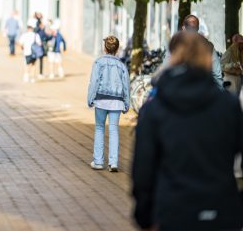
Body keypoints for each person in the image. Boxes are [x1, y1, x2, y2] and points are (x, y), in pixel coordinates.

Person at [132, 31, 243, 231]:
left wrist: (144, 215)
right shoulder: (229, 106)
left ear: (172, 57)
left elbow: (143, 169)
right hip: (221, 213)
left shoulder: (154, 109)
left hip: (174, 212)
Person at [86, 36, 130, 172]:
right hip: (116, 101)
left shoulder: (98, 62)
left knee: (99, 128)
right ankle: (113, 162)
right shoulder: (122, 65)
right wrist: (126, 103)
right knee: (114, 129)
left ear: (105, 48)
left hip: (101, 100)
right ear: (117, 49)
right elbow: (126, 86)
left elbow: (93, 82)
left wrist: (90, 98)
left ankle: (98, 161)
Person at [161, 14, 223, 88]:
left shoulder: (174, 44)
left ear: (183, 28)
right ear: (198, 28)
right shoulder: (208, 46)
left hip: (178, 91)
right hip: (203, 92)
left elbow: (165, 69)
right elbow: (217, 75)